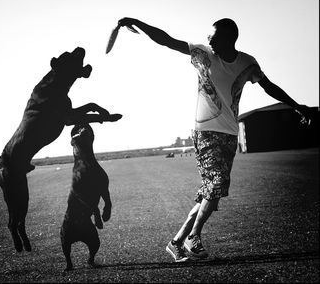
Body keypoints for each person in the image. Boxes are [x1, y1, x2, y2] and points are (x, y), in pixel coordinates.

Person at [117, 17, 313, 262]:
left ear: (229, 39)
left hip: (229, 134)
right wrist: (137, 22)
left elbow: (269, 86)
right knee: (217, 183)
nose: (208, 39)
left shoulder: (247, 63)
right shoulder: (203, 54)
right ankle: (194, 238)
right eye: (209, 36)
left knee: (210, 192)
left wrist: (298, 107)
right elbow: (167, 41)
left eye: (214, 36)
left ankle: (175, 242)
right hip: (205, 132)